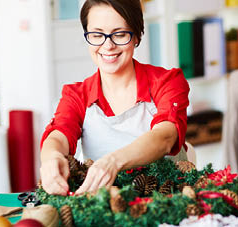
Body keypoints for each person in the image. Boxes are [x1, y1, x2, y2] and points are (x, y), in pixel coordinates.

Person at [39, 0, 190, 195]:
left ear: (136, 36)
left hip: (169, 201)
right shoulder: (77, 94)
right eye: (97, 35)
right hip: (106, 206)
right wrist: (51, 157)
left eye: (119, 34)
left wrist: (113, 161)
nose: (108, 45)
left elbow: (165, 137)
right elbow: (58, 135)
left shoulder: (167, 81)